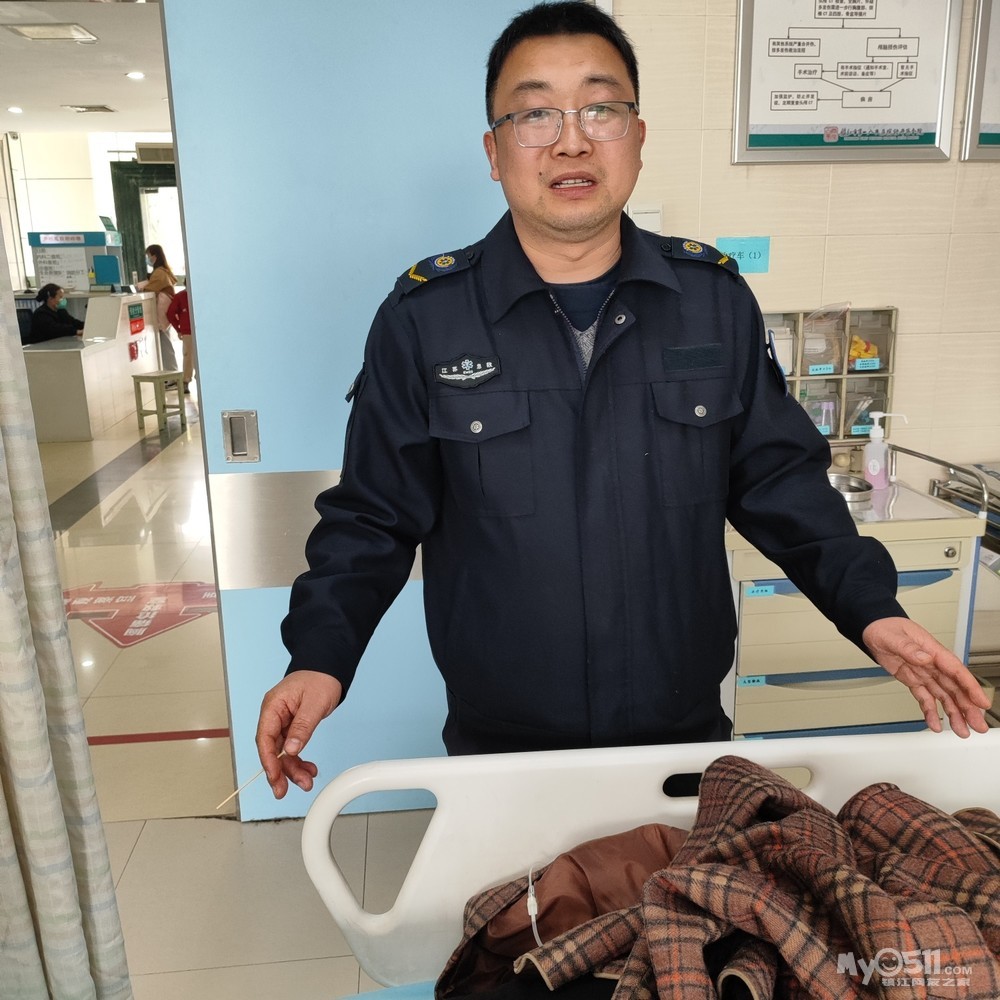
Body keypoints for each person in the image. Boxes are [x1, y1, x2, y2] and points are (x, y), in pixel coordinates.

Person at [257, 1, 989, 798]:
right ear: (494, 152)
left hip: (681, 741)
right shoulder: (425, 320)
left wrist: (871, 608)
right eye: (535, 113)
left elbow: (782, 486)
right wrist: (320, 657)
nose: (571, 140)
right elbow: (374, 516)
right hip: (501, 750)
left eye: (600, 108)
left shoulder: (711, 303)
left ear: (638, 136)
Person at [136, 243, 179, 372]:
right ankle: (170, 372)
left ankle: (171, 372)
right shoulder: (163, 271)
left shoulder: (159, 273)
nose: (147, 258)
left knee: (165, 343)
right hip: (165, 312)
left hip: (161, 312)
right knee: (165, 341)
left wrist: (141, 287)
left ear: (154, 256)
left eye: (148, 255)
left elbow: (150, 289)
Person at [165, 287, 195, 393]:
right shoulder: (181, 297)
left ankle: (187, 381)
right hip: (190, 330)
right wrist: (179, 328)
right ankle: (187, 381)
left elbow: (170, 314)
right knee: (190, 356)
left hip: (189, 330)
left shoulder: (180, 296)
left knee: (189, 356)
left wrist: (179, 328)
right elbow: (170, 314)